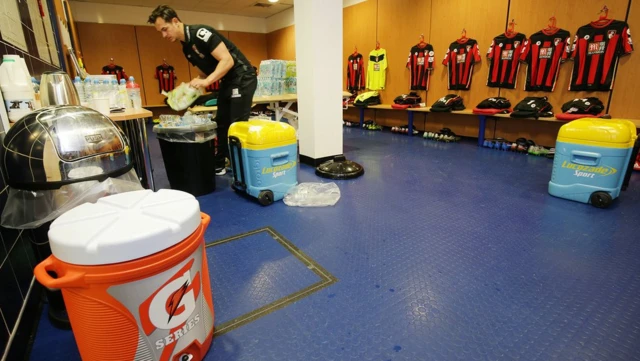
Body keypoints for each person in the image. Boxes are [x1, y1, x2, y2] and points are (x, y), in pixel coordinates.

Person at [148, 5, 257, 175]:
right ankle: (220, 163)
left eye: (164, 29)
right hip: (228, 81)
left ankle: (242, 169)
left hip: (242, 77)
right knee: (220, 122)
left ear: (175, 21)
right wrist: (188, 86)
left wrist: (207, 81)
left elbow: (227, 61)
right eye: (160, 32)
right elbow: (204, 71)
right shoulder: (186, 46)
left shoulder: (201, 33)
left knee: (236, 124)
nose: (163, 35)